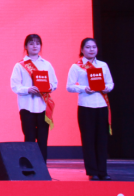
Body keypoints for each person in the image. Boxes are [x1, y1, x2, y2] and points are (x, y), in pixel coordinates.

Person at [67, 38, 114, 181]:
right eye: (88, 47)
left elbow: (110, 83)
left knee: (102, 140)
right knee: (88, 140)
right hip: (85, 106)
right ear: (82, 50)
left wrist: (106, 88)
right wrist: (84, 88)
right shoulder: (76, 67)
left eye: (94, 47)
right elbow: (69, 86)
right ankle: (92, 172)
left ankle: (103, 171)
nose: (91, 50)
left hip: (102, 105)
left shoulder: (103, 65)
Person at [10, 34, 58, 163]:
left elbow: (54, 83)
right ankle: (29, 166)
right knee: (29, 138)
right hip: (27, 107)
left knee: (43, 139)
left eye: (37, 43)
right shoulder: (20, 65)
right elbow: (15, 86)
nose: (34, 46)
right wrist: (28, 89)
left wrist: (48, 87)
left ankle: (42, 167)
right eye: (31, 43)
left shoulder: (46, 64)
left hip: (43, 106)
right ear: (26, 46)